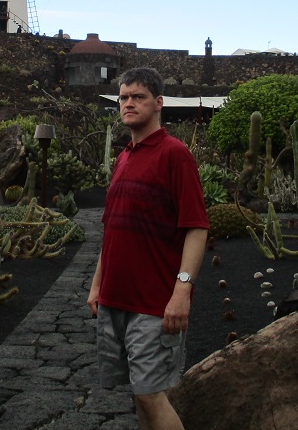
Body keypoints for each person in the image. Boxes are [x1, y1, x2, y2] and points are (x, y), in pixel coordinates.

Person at [87, 67, 209, 430]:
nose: (128, 104)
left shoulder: (175, 155)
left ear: (158, 103)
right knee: (140, 394)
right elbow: (112, 228)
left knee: (150, 394)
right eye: (123, 97)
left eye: (137, 97)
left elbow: (197, 228)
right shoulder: (124, 157)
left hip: (154, 303)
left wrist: (182, 291)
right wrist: (97, 285)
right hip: (116, 299)